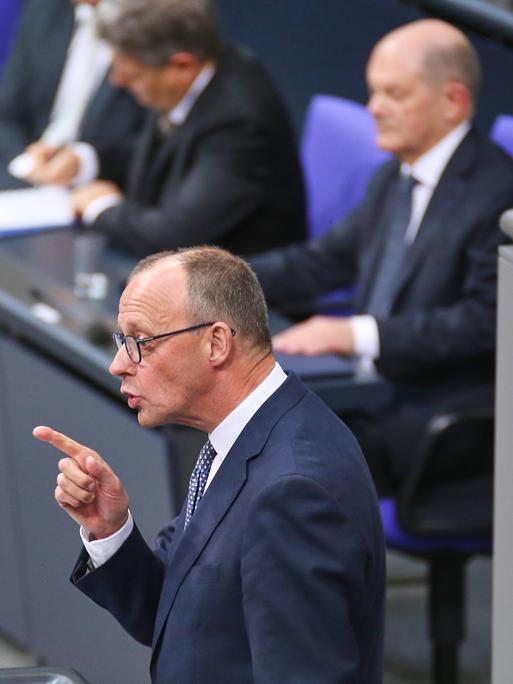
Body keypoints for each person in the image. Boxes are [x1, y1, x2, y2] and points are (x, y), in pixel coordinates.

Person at [33, 246, 385, 683]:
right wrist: (111, 529)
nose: (118, 364)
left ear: (215, 343)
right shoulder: (246, 435)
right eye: (121, 341)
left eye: (140, 342)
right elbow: (180, 612)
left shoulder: (292, 491)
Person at [250, 18, 513, 494]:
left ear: (453, 101)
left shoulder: (498, 195)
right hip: (376, 395)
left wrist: (352, 333)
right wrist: (214, 279)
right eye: (374, 93)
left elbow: (486, 323)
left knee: (276, 448)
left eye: (394, 94)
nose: (374, 108)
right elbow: (321, 261)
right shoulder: (393, 178)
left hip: (446, 416)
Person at [27, 0, 306, 257]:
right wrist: (84, 161)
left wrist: (101, 208)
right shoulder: (188, 72)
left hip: (232, 295)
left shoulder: (241, 122)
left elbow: (176, 236)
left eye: (132, 74)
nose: (118, 81)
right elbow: (155, 155)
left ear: (182, 65)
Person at [0, 0, 145, 190]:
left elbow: (157, 137)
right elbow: (6, 111)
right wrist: (25, 162)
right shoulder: (45, 8)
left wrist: (84, 161)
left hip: (106, 186)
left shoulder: (153, 20)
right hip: (26, 175)